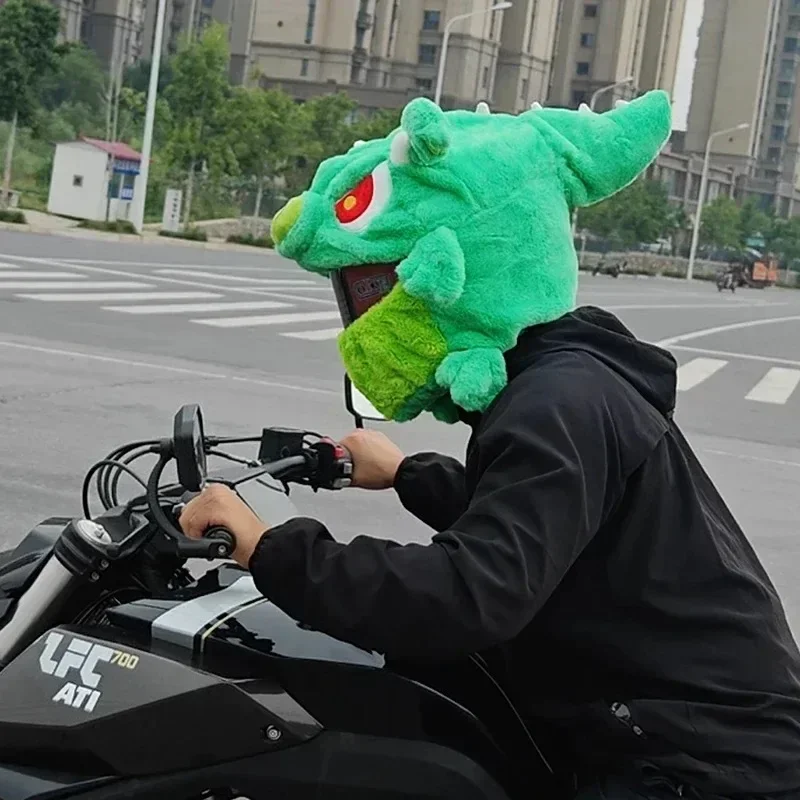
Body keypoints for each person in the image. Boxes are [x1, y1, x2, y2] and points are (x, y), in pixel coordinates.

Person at [179, 93, 800, 799]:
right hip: (676, 727)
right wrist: (408, 473)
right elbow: (538, 520)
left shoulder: (558, 403)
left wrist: (271, 549)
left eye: (372, 289)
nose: (363, 317)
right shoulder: (564, 378)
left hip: (697, 766)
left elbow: (468, 594)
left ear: (447, 276)